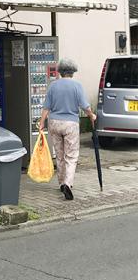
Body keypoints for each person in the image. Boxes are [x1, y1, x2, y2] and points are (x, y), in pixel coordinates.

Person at [38, 58, 96, 200]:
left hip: (54, 122)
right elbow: (84, 105)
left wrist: (41, 123)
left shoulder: (53, 85)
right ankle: (68, 184)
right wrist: (91, 115)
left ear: (60, 71)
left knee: (59, 154)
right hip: (70, 124)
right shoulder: (77, 86)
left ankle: (61, 183)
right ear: (73, 71)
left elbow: (46, 107)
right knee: (71, 155)